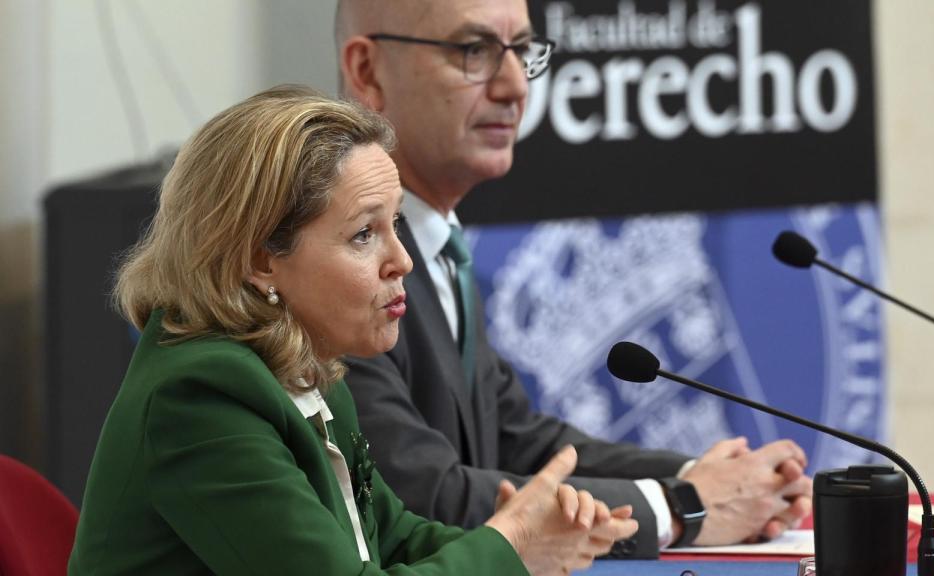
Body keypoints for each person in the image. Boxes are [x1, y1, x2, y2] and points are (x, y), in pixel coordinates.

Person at [67, 86, 638, 575]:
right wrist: (508, 546)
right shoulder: (200, 397)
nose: (403, 262)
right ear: (262, 258)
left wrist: (534, 542)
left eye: (395, 225)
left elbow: (389, 539)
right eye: (365, 234)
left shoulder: (302, 365)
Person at [334, 0, 814, 559]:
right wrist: (680, 507)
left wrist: (712, 480)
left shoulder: (440, 247)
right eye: (475, 51)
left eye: (521, 52)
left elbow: (520, 442)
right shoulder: (340, 272)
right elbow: (423, 494)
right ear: (368, 70)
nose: (515, 87)